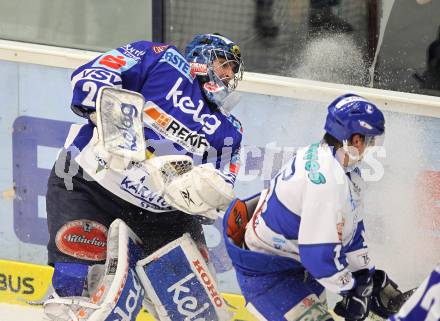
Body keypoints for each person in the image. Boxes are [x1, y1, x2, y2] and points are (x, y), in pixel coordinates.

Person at [44, 33, 244, 320]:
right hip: (89, 186)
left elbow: (222, 187)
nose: (227, 73)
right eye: (223, 63)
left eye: (233, 70)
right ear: (201, 57)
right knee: (74, 283)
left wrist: (197, 192)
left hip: (163, 216)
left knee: (196, 304)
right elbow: (93, 74)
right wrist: (111, 120)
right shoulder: (160, 58)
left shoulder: (230, 130)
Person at [223, 94, 412, 321]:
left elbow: (353, 228)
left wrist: (364, 274)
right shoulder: (325, 183)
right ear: (356, 140)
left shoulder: (343, 168)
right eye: (370, 140)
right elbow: (318, 257)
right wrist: (351, 289)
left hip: (295, 263)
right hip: (270, 275)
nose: (371, 147)